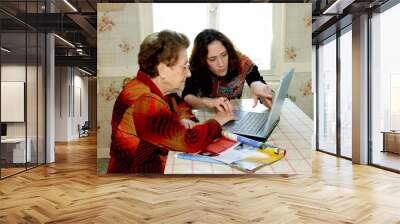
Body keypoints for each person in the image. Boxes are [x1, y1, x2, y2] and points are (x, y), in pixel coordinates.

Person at [107, 30, 235, 174]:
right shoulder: (144, 100)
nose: (189, 73)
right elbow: (190, 142)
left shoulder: (158, 87)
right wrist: (218, 120)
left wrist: (185, 118)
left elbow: (182, 107)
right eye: (184, 67)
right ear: (162, 69)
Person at [182, 29, 275, 113]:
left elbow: (256, 80)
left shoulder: (242, 62)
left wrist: (258, 85)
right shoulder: (195, 68)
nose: (221, 64)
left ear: (229, 51)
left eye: (224, 55)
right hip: (205, 116)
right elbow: (187, 97)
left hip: (234, 117)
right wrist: (209, 102)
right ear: (202, 60)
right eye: (212, 59)